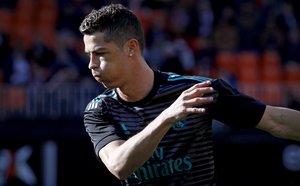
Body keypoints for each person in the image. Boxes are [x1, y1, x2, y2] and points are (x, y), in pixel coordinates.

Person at [79, 3, 300, 186]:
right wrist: (167, 117)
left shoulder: (197, 91)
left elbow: (275, 121)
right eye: (89, 55)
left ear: (131, 48)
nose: (91, 65)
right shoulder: (99, 110)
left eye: (100, 54)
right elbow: (119, 166)